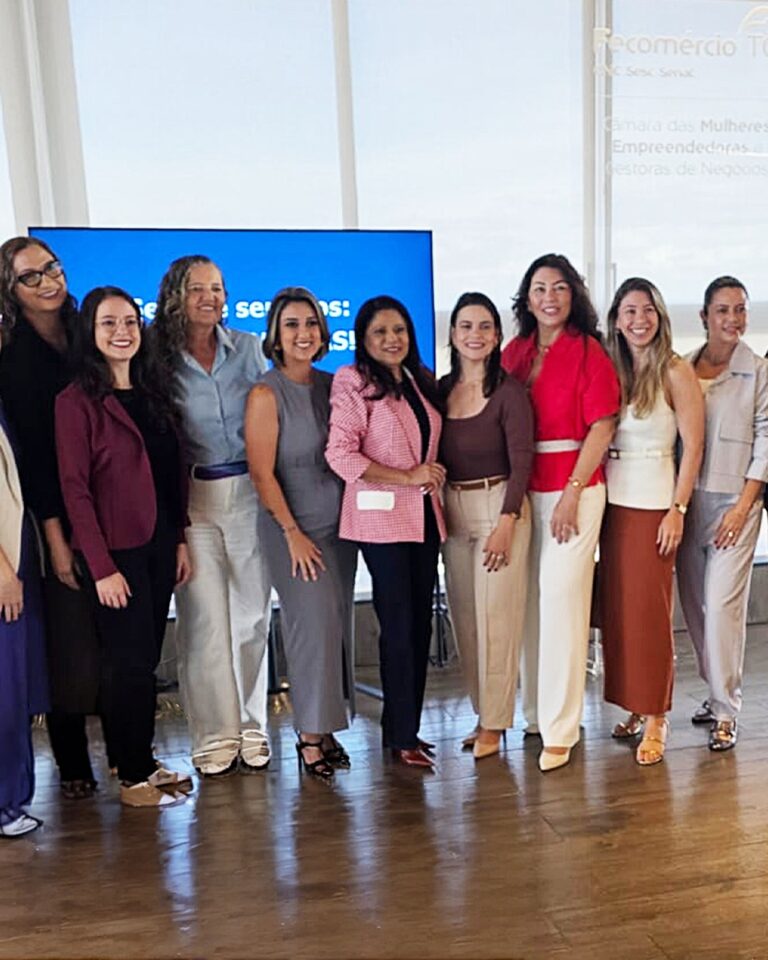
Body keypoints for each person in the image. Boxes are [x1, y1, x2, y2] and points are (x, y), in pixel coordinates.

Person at [55, 286, 193, 807]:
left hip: (159, 544)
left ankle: (142, 759)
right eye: (109, 323)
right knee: (127, 663)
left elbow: (170, 475)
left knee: (145, 659)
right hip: (115, 554)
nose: (122, 332)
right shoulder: (74, 402)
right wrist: (101, 566)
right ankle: (132, 776)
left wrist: (179, 538)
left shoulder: (154, 391)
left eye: (130, 321)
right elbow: (74, 489)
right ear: (90, 332)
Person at [151, 255, 271, 777]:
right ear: (175, 295)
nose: (210, 297)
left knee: (251, 617)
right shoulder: (155, 356)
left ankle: (252, 727)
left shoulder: (248, 347)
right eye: (198, 288)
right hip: (192, 499)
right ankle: (214, 734)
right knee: (203, 620)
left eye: (217, 288)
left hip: (249, 491)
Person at [501, 254, 620, 772]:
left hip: (576, 487)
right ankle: (534, 713)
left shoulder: (589, 350)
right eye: (539, 288)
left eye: (559, 287)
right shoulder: (515, 352)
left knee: (561, 600)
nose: (549, 297)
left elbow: (603, 425)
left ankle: (561, 727)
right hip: (523, 490)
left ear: (574, 294)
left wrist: (572, 491)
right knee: (528, 601)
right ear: (526, 299)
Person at [0, 237, 104, 800]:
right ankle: (72, 761)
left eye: (52, 268)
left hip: (109, 501)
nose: (48, 281)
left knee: (115, 639)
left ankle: (128, 752)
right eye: (31, 276)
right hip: (52, 513)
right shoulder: (12, 357)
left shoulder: (89, 331)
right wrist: (55, 536)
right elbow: (34, 459)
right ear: (10, 290)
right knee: (70, 644)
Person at [326, 295, 446, 769]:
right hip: (380, 520)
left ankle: (403, 728)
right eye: (380, 332)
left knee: (419, 624)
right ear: (363, 338)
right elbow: (340, 455)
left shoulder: (418, 379)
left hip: (424, 517)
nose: (392, 339)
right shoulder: (352, 380)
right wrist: (407, 477)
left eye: (399, 330)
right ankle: (402, 737)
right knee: (398, 627)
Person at [246, 287, 357, 779]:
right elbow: (261, 473)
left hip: (340, 529)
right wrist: (291, 532)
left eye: (311, 323)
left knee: (334, 627)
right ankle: (309, 735)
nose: (303, 333)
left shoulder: (335, 385)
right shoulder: (265, 394)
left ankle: (326, 727)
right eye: (291, 324)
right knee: (310, 627)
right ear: (275, 333)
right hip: (292, 529)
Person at [600, 278, 704, 765]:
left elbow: (693, 447)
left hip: (653, 505)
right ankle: (635, 706)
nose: (639, 320)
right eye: (629, 311)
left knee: (650, 616)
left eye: (647, 310)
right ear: (617, 320)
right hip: (611, 504)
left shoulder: (675, 370)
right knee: (620, 614)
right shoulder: (612, 367)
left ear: (660, 316)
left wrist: (676, 510)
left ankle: (657, 715)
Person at [438, 292, 534, 759]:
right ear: (453, 334)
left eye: (484, 326)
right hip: (452, 511)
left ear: (497, 336)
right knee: (467, 624)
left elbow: (523, 461)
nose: (474, 335)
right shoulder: (439, 390)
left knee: (497, 620)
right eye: (465, 326)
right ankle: (483, 716)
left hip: (500, 506)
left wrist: (507, 521)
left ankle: (496, 723)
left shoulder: (510, 393)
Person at [676, 276, 768, 751]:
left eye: (740, 309)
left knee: (722, 609)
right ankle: (714, 694)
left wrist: (744, 506)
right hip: (687, 503)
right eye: (723, 310)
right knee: (695, 607)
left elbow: (767, 441)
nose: (733, 319)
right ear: (705, 317)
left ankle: (727, 711)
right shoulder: (683, 368)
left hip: (736, 505)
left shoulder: (759, 370)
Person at [0, 397, 49, 836]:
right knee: (7, 690)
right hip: (5, 568)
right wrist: (3, 571)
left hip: (18, 558)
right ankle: (6, 805)